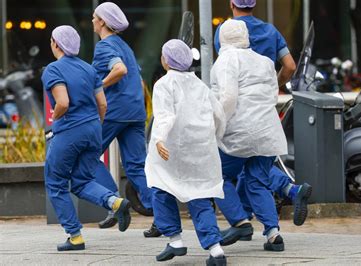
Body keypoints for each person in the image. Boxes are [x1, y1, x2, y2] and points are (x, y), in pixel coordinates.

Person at [214, 0, 312, 235]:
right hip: (265, 115)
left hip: (238, 117)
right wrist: (271, 86)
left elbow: (228, 90)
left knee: (223, 172)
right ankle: (272, 226)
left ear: (231, 4)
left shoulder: (225, 34)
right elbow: (289, 65)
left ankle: (241, 222)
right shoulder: (270, 34)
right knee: (254, 173)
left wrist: (215, 123)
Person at [42, 25, 131, 251]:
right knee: (82, 182)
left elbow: (62, 102)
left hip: (69, 131)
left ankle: (75, 236)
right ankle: (115, 202)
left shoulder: (53, 69)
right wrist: (94, 125)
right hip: (93, 130)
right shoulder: (88, 69)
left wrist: (57, 120)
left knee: (56, 182)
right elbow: (103, 104)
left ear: (55, 44)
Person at [145, 39, 227, 265]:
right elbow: (219, 114)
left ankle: (175, 240)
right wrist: (215, 138)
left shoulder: (164, 84)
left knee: (161, 189)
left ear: (166, 60)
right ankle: (216, 250)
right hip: (200, 151)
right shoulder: (200, 84)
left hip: (171, 151)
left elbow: (164, 116)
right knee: (200, 196)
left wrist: (160, 139)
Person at [211, 19, 287, 251]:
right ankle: (273, 235)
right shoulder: (265, 61)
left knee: (216, 177)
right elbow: (272, 94)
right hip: (267, 131)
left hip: (238, 132)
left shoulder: (225, 60)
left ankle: (240, 221)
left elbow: (228, 98)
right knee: (257, 181)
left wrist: (214, 126)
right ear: (246, 37)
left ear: (222, 38)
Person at [90, 2, 157, 237]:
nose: (92, 20)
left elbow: (120, 70)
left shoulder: (104, 46)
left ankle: (114, 203)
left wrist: (96, 86)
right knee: (137, 165)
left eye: (95, 17)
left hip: (114, 111)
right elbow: (138, 82)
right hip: (135, 111)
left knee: (88, 154)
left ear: (103, 22)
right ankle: (160, 215)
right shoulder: (124, 46)